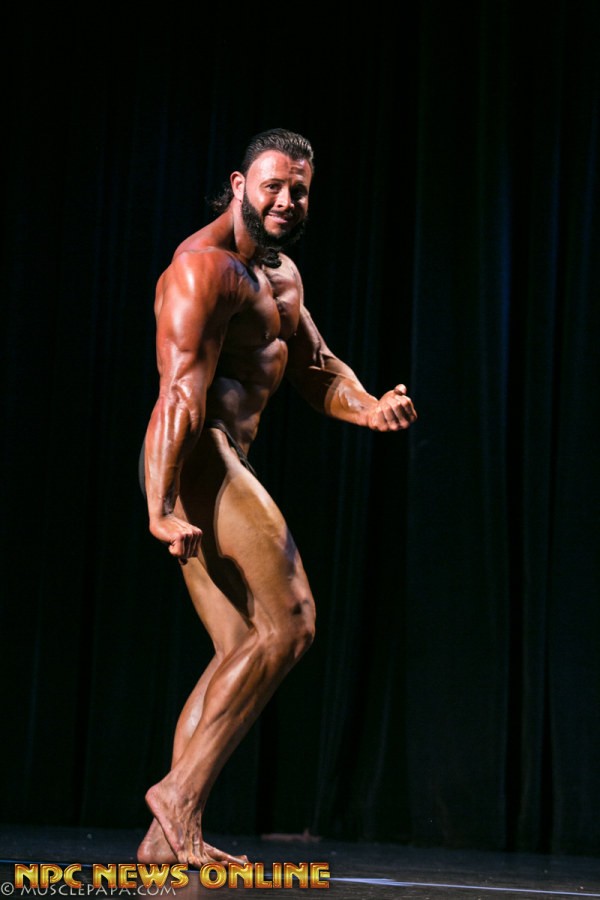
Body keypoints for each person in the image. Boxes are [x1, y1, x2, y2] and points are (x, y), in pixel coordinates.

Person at [137, 127, 417, 868]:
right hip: (199, 456)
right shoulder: (203, 271)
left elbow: (317, 369)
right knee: (292, 624)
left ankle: (166, 841)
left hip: (220, 457)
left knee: (242, 645)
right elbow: (179, 395)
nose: (287, 200)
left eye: (300, 190)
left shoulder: (281, 274)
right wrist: (161, 505)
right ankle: (177, 796)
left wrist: (370, 407)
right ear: (239, 185)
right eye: (273, 186)